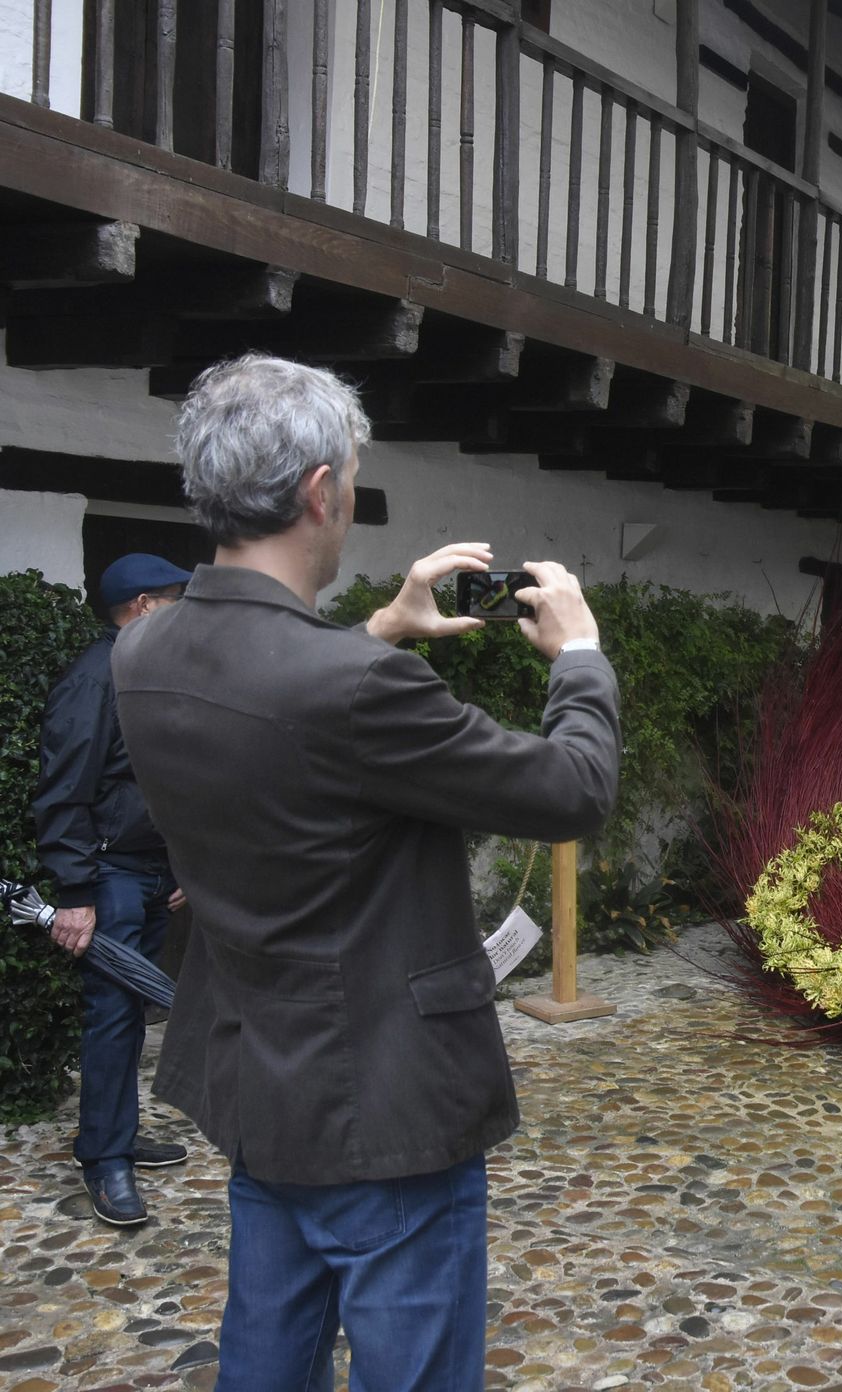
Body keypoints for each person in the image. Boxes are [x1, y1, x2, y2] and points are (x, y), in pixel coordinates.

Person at [111, 354, 621, 1391]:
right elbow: (572, 789)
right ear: (319, 492)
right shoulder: (353, 689)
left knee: (266, 1364)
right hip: (385, 1109)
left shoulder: (144, 654)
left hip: (261, 1088)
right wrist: (578, 656)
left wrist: (387, 623)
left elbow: (271, 697)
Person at [33, 552, 194, 1228]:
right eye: (175, 598)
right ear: (144, 607)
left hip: (152, 871)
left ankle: (112, 1136)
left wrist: (182, 863)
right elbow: (63, 793)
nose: (186, 611)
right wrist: (75, 891)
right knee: (114, 1015)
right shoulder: (95, 677)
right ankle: (104, 1160)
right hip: (111, 877)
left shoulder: (144, 670)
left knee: (132, 1016)